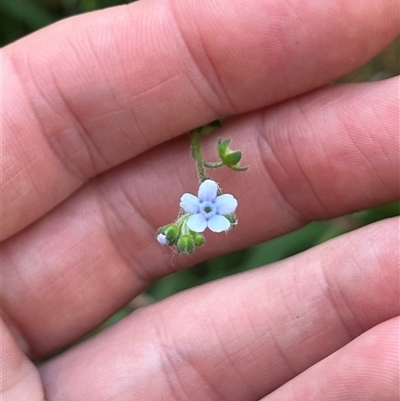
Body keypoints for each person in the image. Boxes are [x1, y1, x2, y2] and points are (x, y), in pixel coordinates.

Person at [2, 0, 399, 399]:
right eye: (200, 214)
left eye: (204, 212)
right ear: (197, 212)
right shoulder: (203, 204)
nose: (205, 211)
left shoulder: (206, 202)